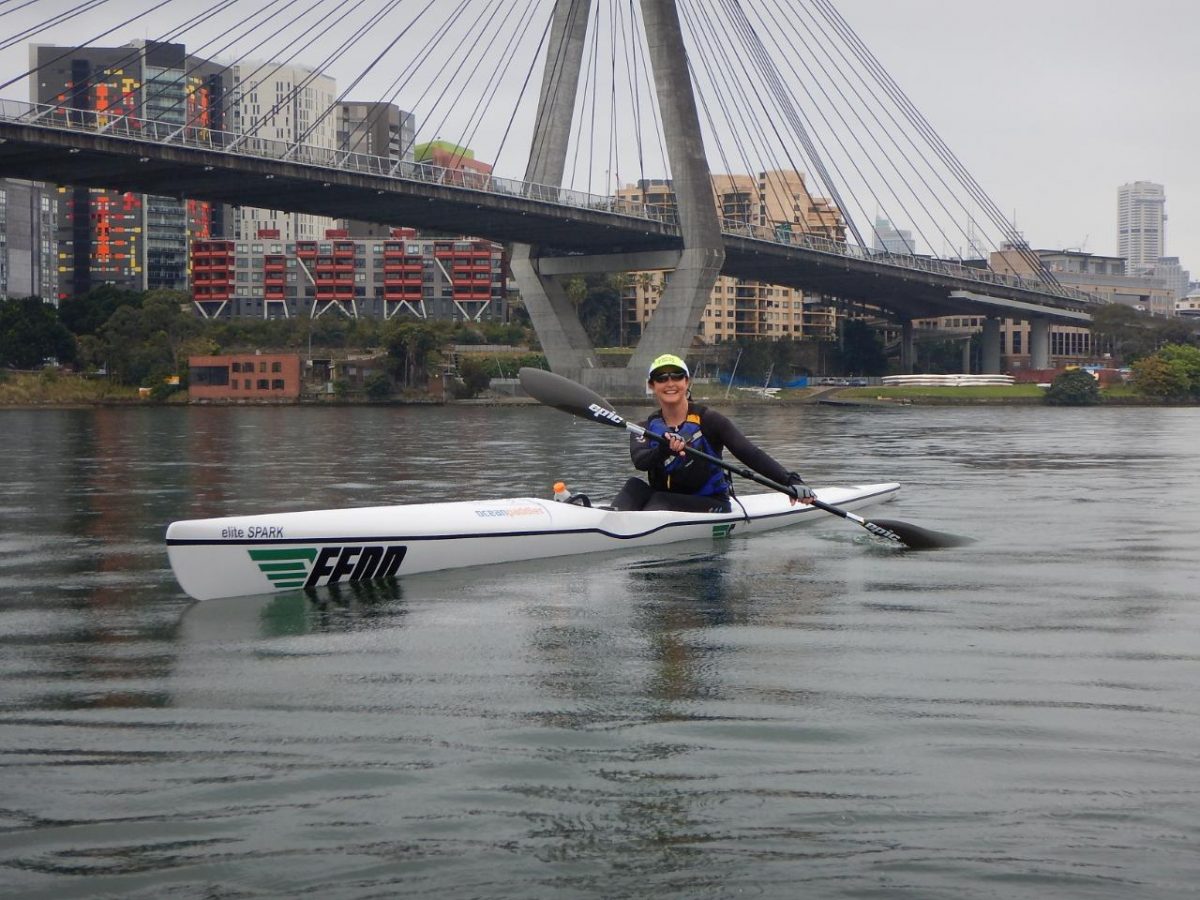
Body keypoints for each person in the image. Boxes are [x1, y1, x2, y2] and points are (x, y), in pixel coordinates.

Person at [610, 353, 816, 513]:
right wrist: (664, 449)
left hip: (711, 503)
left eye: (677, 376)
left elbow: (749, 453)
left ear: (686, 382)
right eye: (661, 378)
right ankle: (607, 521)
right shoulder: (645, 426)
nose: (670, 383)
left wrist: (791, 481)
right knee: (634, 486)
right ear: (652, 385)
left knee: (658, 500)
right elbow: (641, 461)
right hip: (664, 499)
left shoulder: (709, 420)